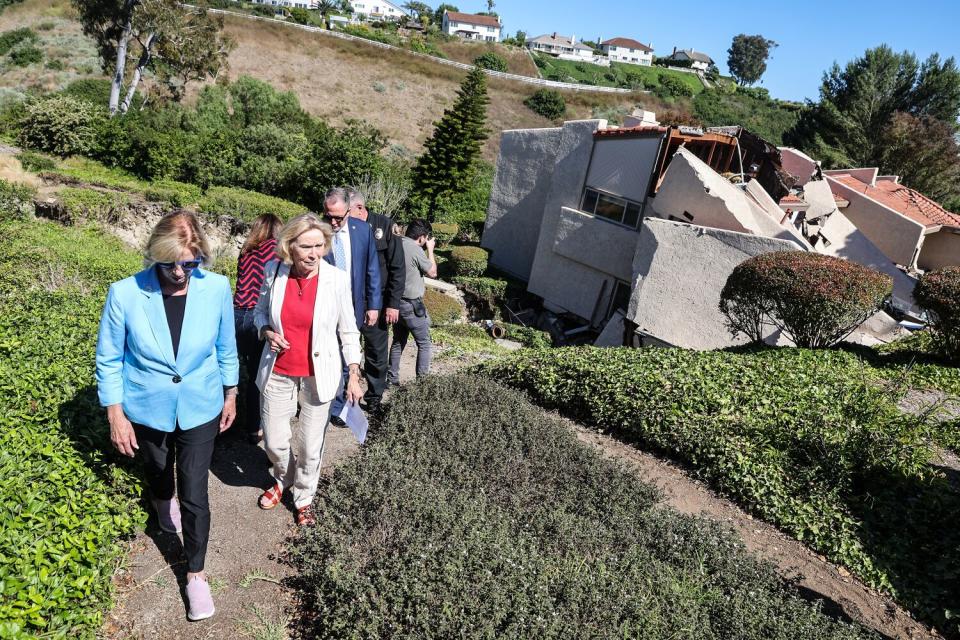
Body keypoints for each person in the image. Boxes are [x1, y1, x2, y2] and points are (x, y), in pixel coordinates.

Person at [95, 210, 238, 622]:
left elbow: (226, 347)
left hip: (201, 404)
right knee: (158, 470)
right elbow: (109, 359)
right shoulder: (124, 293)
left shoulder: (216, 289)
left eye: (190, 264)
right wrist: (115, 415)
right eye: (169, 263)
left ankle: (195, 573)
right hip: (148, 406)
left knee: (195, 491)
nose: (179, 272)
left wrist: (230, 394)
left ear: (202, 258)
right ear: (154, 255)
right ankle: (160, 501)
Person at [253, 213, 362, 526]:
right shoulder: (273, 271)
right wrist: (266, 332)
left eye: (319, 245)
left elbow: (349, 330)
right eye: (306, 246)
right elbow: (260, 313)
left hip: (319, 374)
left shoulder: (336, 279)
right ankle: (282, 478)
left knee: (310, 446)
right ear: (290, 246)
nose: (314, 253)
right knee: (274, 441)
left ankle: (304, 497)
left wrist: (353, 373)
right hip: (278, 368)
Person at [320, 188, 381, 425]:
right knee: (327, 353)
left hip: (354, 305)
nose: (333, 222)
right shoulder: (318, 232)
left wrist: (373, 304)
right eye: (329, 216)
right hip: (324, 307)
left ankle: (339, 408)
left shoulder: (362, 231)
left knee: (349, 355)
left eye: (338, 217)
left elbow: (372, 269)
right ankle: (324, 400)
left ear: (349, 210)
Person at [344, 187, 405, 413]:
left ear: (359, 208)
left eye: (347, 211)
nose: (342, 216)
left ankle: (374, 397)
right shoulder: (342, 227)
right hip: (348, 301)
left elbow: (397, 268)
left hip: (376, 303)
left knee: (376, 353)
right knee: (345, 351)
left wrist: (393, 304)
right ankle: (344, 400)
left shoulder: (385, 226)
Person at [234, 214, 282, 444]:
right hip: (256, 316)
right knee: (257, 375)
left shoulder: (246, 249)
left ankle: (226, 422)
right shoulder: (276, 250)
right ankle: (254, 427)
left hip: (236, 313)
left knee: (234, 371)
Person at [388, 218, 437, 385]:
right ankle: (421, 385)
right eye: (426, 239)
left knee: (398, 341)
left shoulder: (396, 242)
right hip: (411, 305)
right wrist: (430, 250)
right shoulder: (415, 249)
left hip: (394, 304)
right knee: (424, 343)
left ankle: (391, 379)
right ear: (422, 237)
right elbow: (432, 272)